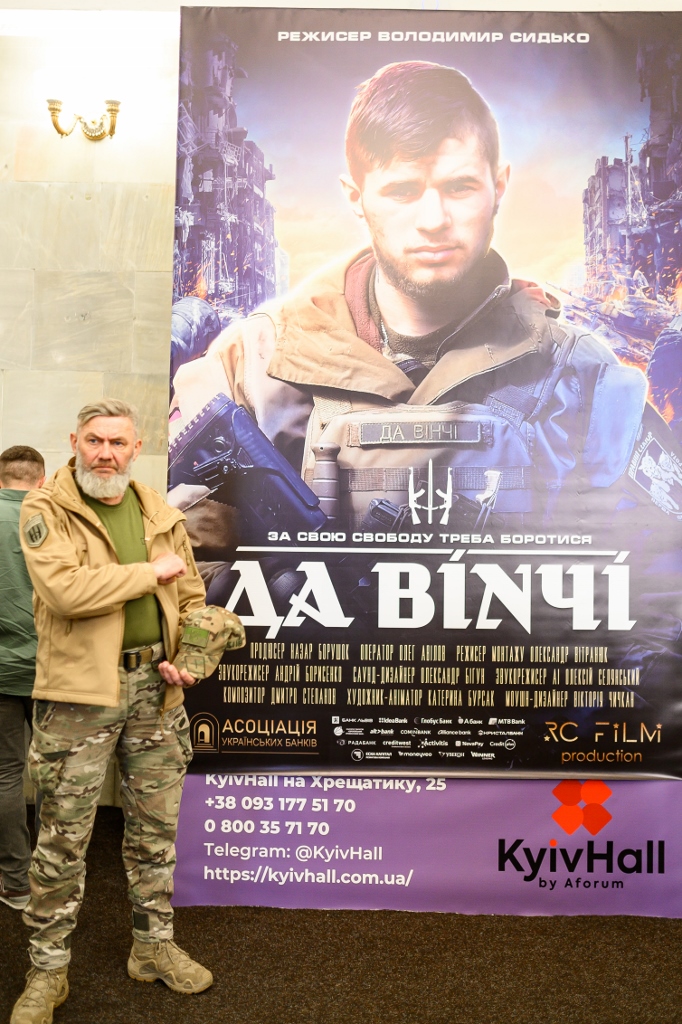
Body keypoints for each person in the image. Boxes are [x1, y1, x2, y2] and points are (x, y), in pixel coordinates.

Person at [169, 60, 679, 552]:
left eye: (459, 187)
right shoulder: (251, 365)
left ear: (499, 187)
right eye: (403, 190)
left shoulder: (584, 377)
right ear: (356, 197)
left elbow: (659, 582)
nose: (433, 219)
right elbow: (176, 564)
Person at [11, 399, 212, 1024]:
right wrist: (148, 572)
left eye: (118, 442)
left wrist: (191, 657)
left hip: (156, 690)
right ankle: (47, 971)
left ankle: (153, 947)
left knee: (155, 832)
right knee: (62, 840)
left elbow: (193, 597)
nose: (106, 453)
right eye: (95, 440)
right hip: (79, 698)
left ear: (136, 446)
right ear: (74, 441)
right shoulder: (47, 507)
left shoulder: (158, 510)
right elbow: (65, 592)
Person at [0, 446, 45, 913]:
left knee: (5, 775)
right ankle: (53, 878)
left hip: (1, 671)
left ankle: (15, 884)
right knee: (55, 774)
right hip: (53, 670)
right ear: (41, 479)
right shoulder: (56, 522)